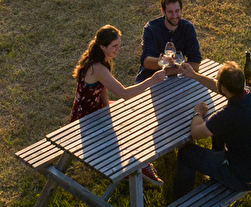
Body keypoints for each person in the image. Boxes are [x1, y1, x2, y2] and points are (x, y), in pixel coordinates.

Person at [71, 24, 177, 186]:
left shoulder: (100, 59)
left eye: (119, 44)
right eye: (114, 46)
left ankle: (135, 162)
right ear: (103, 47)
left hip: (96, 109)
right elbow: (124, 94)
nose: (118, 49)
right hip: (87, 119)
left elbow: (102, 88)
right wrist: (152, 80)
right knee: (131, 119)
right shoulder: (97, 68)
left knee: (134, 113)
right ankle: (136, 165)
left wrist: (107, 110)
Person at [170, 61, 251, 202]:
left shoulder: (227, 116)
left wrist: (198, 113)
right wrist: (194, 75)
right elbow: (219, 87)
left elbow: (196, 133)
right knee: (221, 134)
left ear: (224, 88)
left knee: (186, 153)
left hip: (245, 179)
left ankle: (180, 202)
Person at [135, 0, 202, 81]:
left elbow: (195, 63)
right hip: (150, 79)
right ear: (163, 11)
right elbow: (146, 62)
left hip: (176, 79)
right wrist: (162, 61)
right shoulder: (151, 29)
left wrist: (169, 72)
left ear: (181, 9)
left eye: (177, 11)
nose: (174, 16)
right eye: (170, 12)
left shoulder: (187, 28)